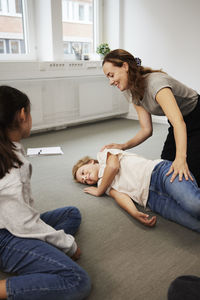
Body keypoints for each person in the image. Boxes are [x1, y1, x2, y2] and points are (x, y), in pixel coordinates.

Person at [0, 86, 91, 300]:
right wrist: (68, 246)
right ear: (23, 114)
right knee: (78, 281)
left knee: (71, 213)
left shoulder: (9, 149)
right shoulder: (13, 166)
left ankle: (38, 255)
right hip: (6, 234)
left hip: (10, 222)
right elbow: (24, 225)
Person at [101, 49, 200, 186]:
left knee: (190, 169)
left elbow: (179, 123)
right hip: (177, 122)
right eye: (108, 77)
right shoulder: (132, 91)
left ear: (125, 66)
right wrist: (123, 146)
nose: (111, 82)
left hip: (196, 115)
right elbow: (146, 129)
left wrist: (181, 159)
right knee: (167, 164)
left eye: (111, 75)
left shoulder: (155, 84)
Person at [72, 148, 200, 231]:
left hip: (159, 173)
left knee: (194, 205)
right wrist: (134, 213)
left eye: (83, 172)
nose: (85, 178)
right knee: (194, 223)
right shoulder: (103, 185)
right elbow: (120, 196)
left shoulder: (104, 155)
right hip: (153, 201)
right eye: (83, 180)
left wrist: (99, 191)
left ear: (90, 162)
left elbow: (113, 167)